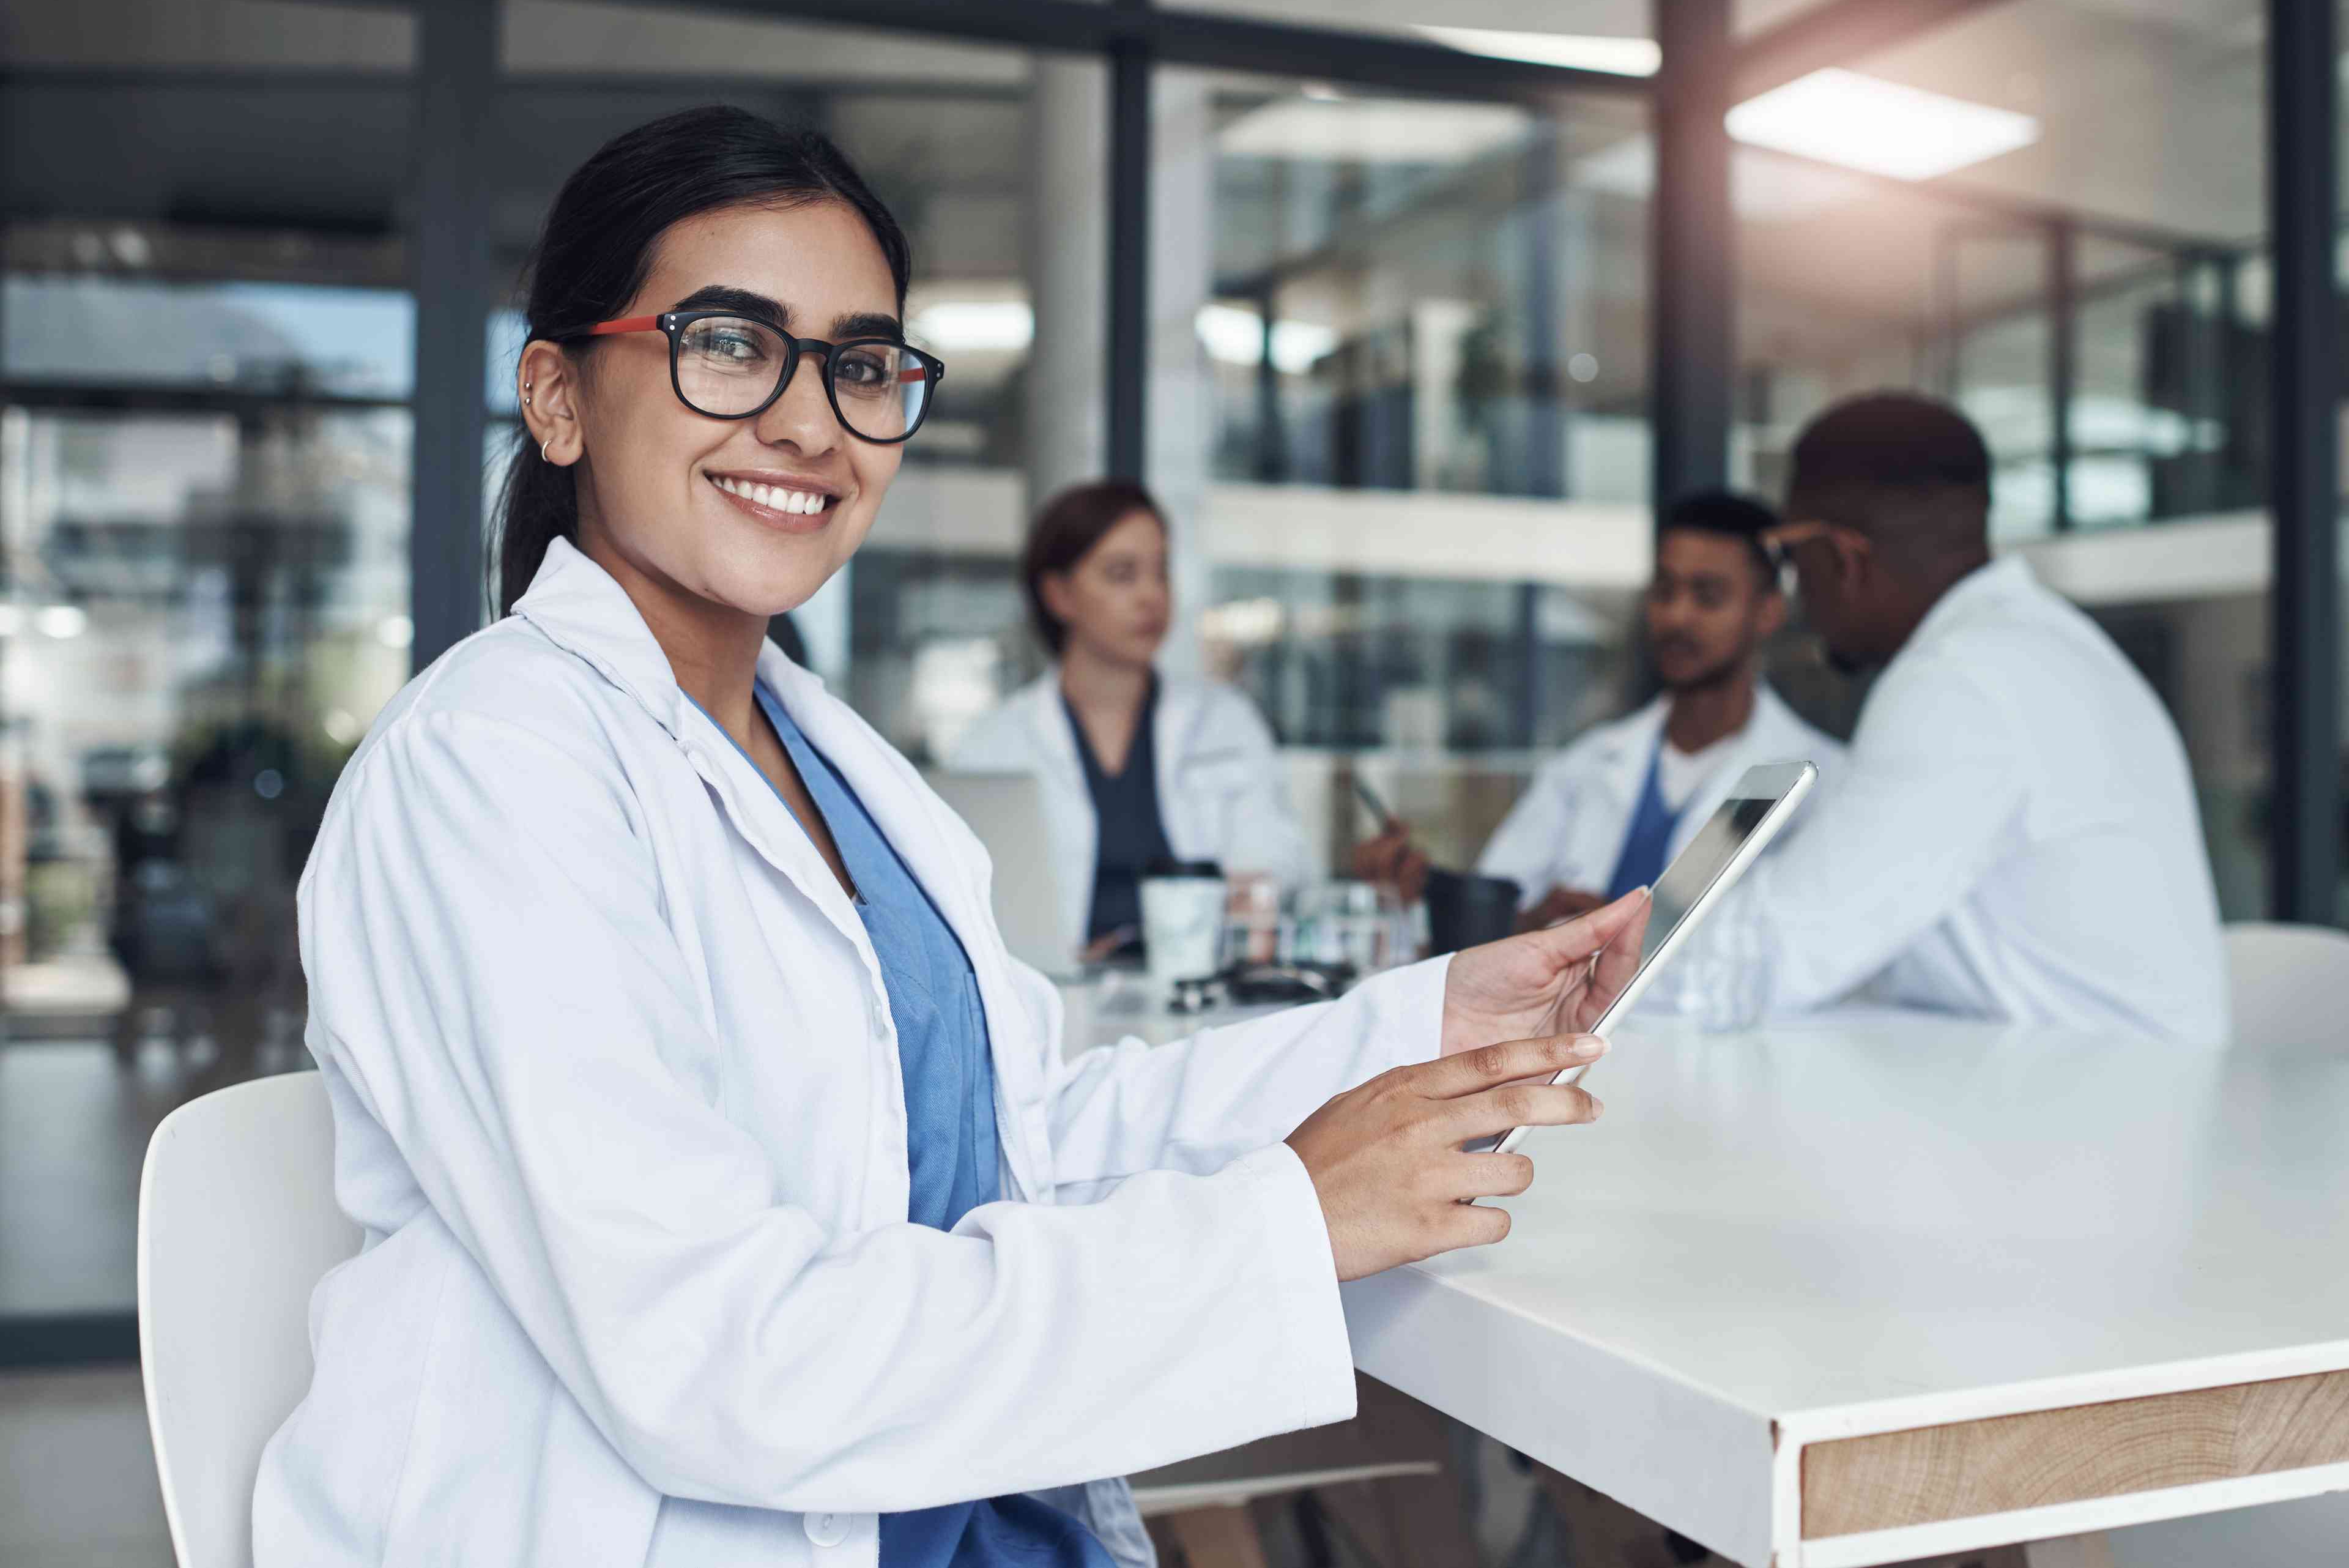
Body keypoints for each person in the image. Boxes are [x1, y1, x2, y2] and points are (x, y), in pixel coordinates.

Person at [252, 105, 1652, 1568]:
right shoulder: (494, 766)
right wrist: (1284, 1226)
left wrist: (1422, 1024)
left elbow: (1020, 1141)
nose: (808, 422)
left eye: (860, 364)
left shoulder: (839, 765)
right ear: (556, 396)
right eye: (728, 341)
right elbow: (721, 1359)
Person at [1673, 392, 2226, 1040]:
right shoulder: (2035, 647)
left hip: (2096, 1108)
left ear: (1847, 559)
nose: (1798, 593)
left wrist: (1593, 967)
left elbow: (1766, 960)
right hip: (2072, 1083)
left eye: (1792, 560)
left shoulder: (1962, 684)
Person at [1354, 491, 1841, 930]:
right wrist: (1517, 919)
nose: (1676, 616)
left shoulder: (1822, 781)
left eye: (1707, 596)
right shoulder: (1586, 766)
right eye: (1664, 590)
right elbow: (1493, 907)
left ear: (1769, 612)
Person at [948, 480, 1313, 963]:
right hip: (1053, 1001)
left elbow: (1282, 866)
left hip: (1201, 998)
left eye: (1160, 573)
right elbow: (966, 906)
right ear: (1059, 595)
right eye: (1123, 574)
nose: (1151, 596)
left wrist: (1256, 894)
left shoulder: (1226, 721)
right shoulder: (993, 745)